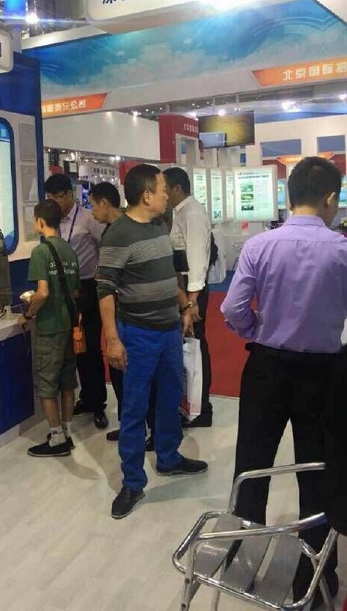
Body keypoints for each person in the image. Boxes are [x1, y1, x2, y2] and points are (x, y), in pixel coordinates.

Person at [221, 157, 347, 604]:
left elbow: (232, 309)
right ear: (330, 198)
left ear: (290, 196)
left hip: (267, 370)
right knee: (319, 473)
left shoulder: (260, 245)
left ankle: (241, 558)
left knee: (252, 466)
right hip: (324, 376)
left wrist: (257, 329)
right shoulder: (342, 250)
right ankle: (316, 580)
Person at [96, 164, 208, 520]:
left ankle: (169, 456)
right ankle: (132, 482)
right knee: (134, 409)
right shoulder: (118, 235)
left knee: (170, 397)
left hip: (169, 330)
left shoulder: (160, 225)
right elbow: (105, 290)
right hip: (137, 335)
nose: (166, 196)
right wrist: (112, 339)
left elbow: (166, 276)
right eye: (161, 190)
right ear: (146, 196)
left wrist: (185, 306)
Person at [45, 174, 108, 429]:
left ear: (69, 194)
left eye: (58, 197)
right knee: (72, 348)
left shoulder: (88, 218)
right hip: (63, 290)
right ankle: (85, 396)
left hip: (87, 288)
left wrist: (100, 271)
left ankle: (98, 403)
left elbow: (106, 245)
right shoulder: (51, 221)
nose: (54, 202)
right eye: (50, 198)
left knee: (90, 347)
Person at [21, 199, 80, 457]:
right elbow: (75, 291)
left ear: (41, 222)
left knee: (46, 384)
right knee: (67, 382)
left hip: (49, 326)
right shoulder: (69, 250)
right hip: (69, 325)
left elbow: (42, 292)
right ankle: (66, 431)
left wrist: (29, 313)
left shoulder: (40, 252)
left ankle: (56, 439)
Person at [163, 167, 213, 428]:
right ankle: (192, 405)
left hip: (193, 292)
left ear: (177, 188)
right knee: (191, 346)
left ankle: (201, 408)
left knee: (196, 347)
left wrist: (191, 303)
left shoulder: (191, 213)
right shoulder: (180, 212)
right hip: (185, 290)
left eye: (164, 188)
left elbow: (196, 261)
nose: (162, 193)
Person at [89, 182, 124, 442]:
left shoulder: (119, 232)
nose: (92, 212)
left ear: (104, 203)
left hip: (124, 310)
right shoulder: (112, 230)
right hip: (123, 310)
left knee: (124, 372)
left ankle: (134, 426)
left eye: (93, 205)